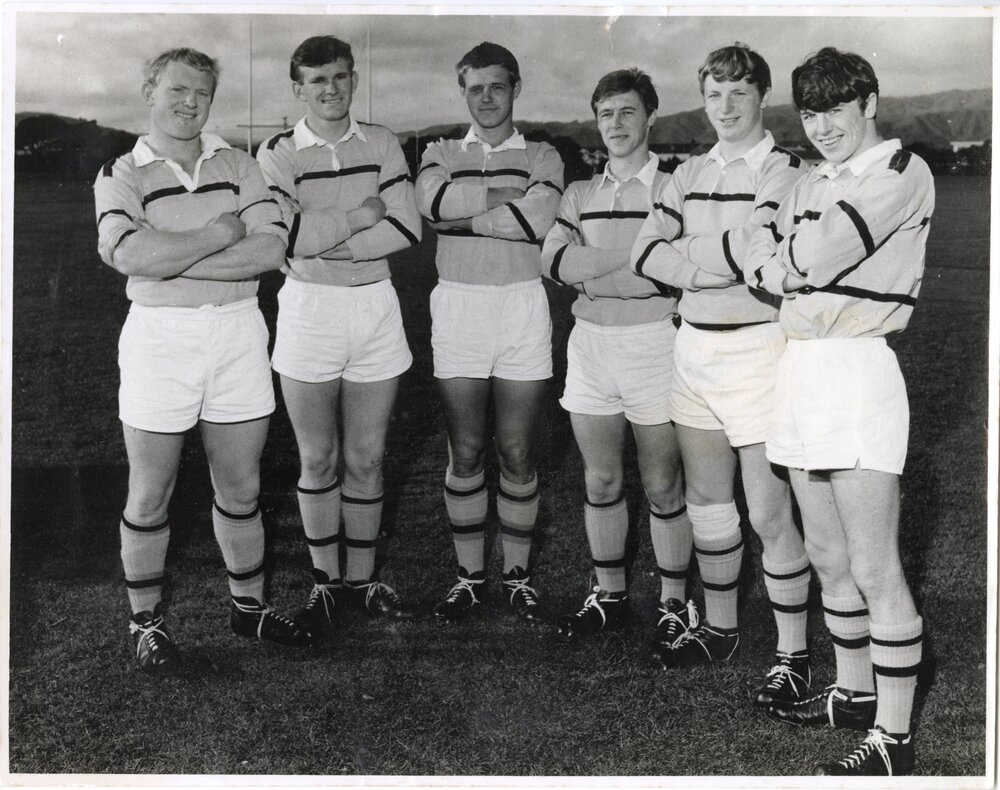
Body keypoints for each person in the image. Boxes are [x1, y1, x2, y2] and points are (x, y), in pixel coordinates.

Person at [745, 47, 933, 777]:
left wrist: (776, 258)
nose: (823, 125)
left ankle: (893, 737)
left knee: (873, 561)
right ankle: (852, 692)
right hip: (799, 369)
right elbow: (773, 255)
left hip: (857, 368)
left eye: (837, 108)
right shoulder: (813, 176)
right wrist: (778, 257)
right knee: (826, 555)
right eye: (812, 111)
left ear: (869, 103)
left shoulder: (899, 170)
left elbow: (805, 260)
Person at [93, 48, 310, 670]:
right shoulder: (120, 171)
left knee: (241, 487)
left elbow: (270, 250)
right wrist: (217, 235)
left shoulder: (239, 162)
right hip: (159, 339)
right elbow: (129, 256)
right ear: (149, 90)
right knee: (150, 493)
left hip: (239, 333)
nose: (191, 103)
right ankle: (146, 623)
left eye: (203, 94)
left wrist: (172, 258)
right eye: (178, 90)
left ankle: (248, 609)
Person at [629, 43, 813, 701]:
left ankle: (794, 654)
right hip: (692, 350)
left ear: (762, 96)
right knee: (708, 504)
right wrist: (717, 262)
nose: (726, 107)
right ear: (703, 99)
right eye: (714, 94)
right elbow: (646, 252)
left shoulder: (785, 170)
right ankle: (722, 627)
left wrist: (694, 259)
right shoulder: (684, 173)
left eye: (739, 93)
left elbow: (757, 248)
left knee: (767, 511)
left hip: (759, 349)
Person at [256, 35, 422, 630]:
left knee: (368, 458)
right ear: (298, 89)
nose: (331, 89)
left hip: (376, 306)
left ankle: (364, 579)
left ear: (354, 80)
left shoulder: (381, 143)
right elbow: (286, 237)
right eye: (318, 80)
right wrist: (358, 219)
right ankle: (327, 582)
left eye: (341, 77)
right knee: (318, 457)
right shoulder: (277, 152)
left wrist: (328, 241)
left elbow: (405, 228)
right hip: (308, 310)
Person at [539, 69, 691, 643]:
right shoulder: (579, 192)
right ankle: (609, 594)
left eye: (628, 112)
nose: (617, 125)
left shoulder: (676, 188)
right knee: (600, 481)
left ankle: (674, 601)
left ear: (650, 116)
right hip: (591, 345)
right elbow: (554, 265)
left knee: (662, 485)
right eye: (606, 114)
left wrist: (594, 258)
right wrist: (637, 255)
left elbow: (667, 270)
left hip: (655, 340)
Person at [414, 42, 564, 622]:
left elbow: (539, 218)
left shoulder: (543, 153)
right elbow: (430, 204)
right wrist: (501, 198)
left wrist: (461, 214)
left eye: (496, 86)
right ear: (463, 91)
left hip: (522, 305)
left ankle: (518, 575)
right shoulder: (440, 149)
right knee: (468, 448)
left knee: (519, 450)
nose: (485, 98)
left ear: (516, 88)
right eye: (475, 88)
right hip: (458, 306)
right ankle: (470, 576)